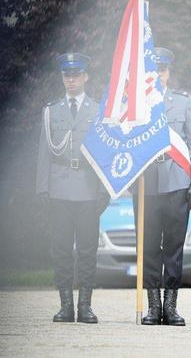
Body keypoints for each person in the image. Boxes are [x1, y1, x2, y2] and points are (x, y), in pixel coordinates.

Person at [36, 52, 109, 323]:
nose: (71, 80)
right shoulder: (51, 110)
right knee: (62, 248)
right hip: (59, 186)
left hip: (89, 188)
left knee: (89, 250)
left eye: (76, 75)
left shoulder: (98, 110)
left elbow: (104, 152)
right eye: (67, 75)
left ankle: (85, 306)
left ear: (85, 76)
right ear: (62, 78)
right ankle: (65, 306)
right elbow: (44, 151)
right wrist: (43, 187)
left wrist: (104, 189)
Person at [136, 47, 191, 326]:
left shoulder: (183, 102)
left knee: (174, 248)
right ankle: (153, 307)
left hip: (178, 182)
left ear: (169, 72)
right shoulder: (137, 105)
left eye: (162, 70)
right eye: (154, 71)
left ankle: (171, 307)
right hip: (147, 184)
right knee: (150, 246)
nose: (159, 76)